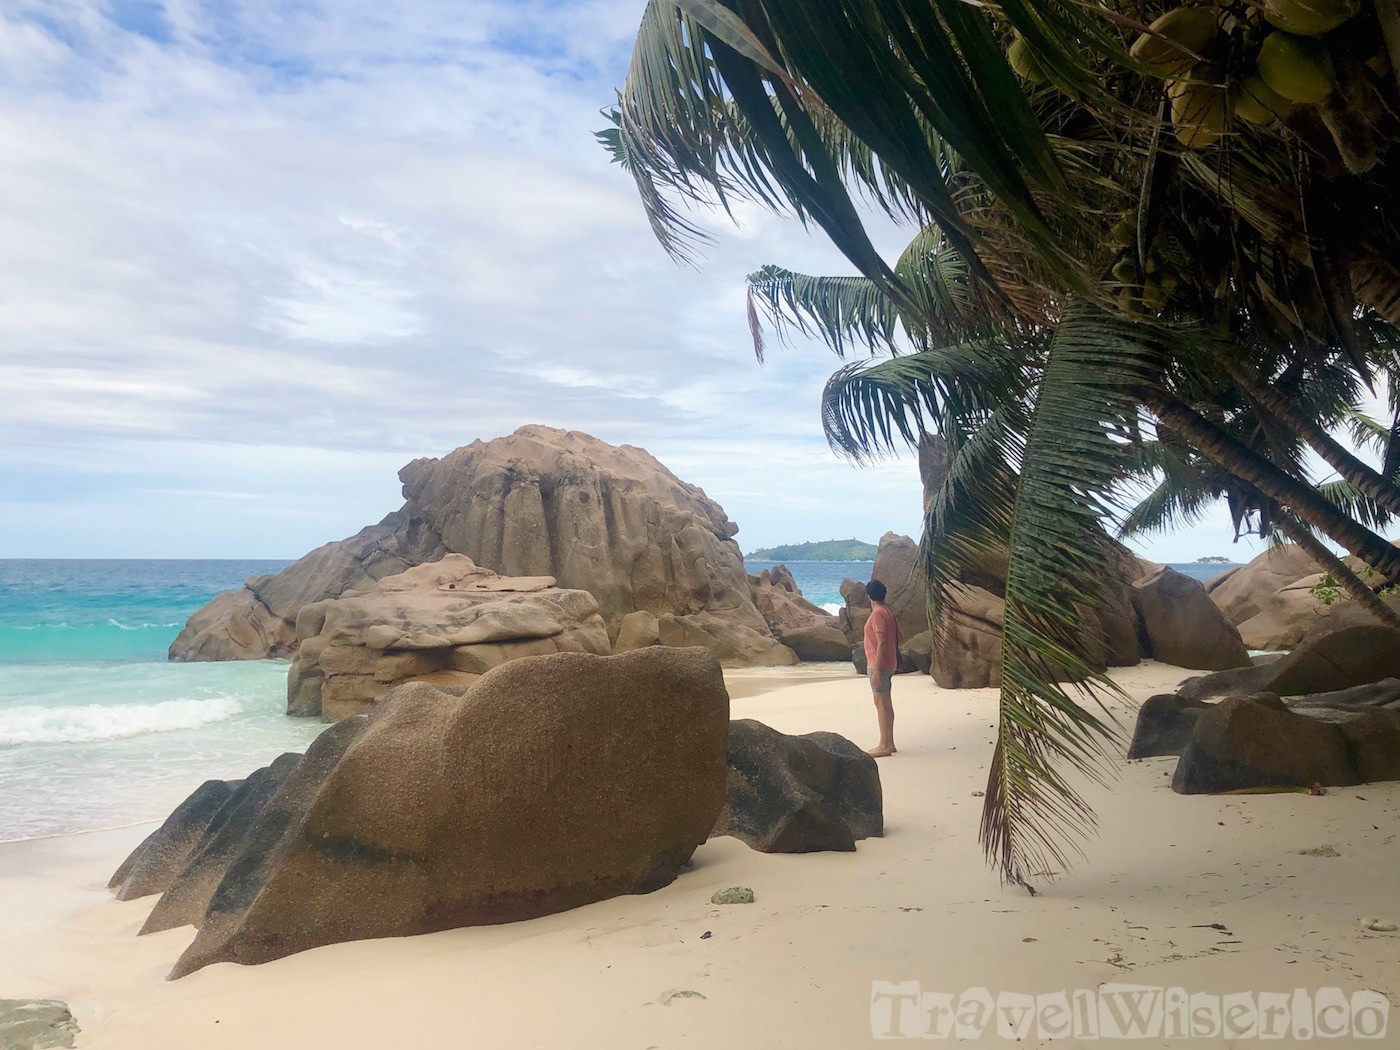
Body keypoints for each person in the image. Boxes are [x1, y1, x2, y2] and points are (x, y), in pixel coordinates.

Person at [863, 579, 899, 757]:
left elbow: (882, 641)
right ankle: (889, 743)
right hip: (888, 663)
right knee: (886, 703)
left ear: (869, 596)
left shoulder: (877, 614)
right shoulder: (888, 613)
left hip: (880, 665)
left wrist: (876, 669)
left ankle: (884, 745)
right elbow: (899, 637)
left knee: (881, 704)